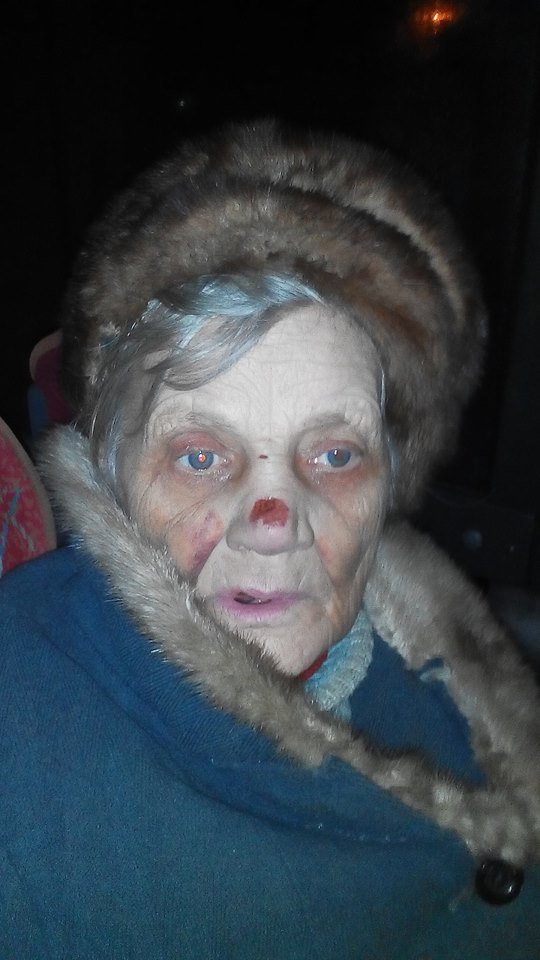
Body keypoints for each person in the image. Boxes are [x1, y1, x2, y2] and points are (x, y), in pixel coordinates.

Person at [1, 118, 539, 959]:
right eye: (201, 456)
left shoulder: (455, 660)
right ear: (115, 469)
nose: (274, 521)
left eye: (334, 455)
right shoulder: (23, 749)